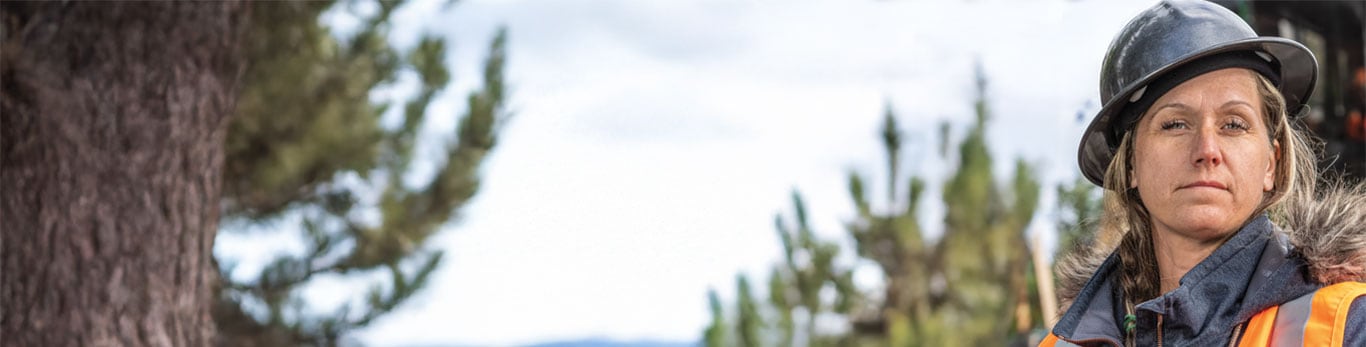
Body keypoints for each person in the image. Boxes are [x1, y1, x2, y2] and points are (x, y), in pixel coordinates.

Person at [1040, 1, 1366, 346]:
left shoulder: (1346, 326)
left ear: (1271, 163)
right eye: (1176, 124)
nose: (1207, 150)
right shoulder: (1063, 342)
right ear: (1131, 162)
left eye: (1234, 124)